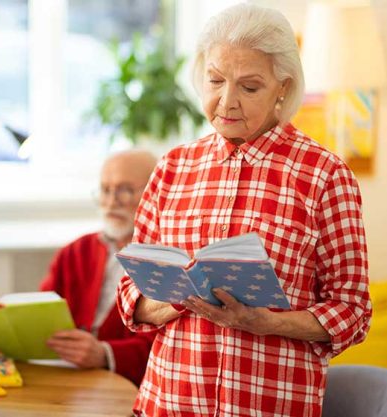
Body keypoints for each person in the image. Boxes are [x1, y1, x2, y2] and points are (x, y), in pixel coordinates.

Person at [116, 4, 372, 416]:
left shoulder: (325, 176)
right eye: (215, 80)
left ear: (282, 88)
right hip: (167, 404)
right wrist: (182, 299)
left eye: (249, 87)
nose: (226, 102)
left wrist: (263, 322)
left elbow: (353, 312)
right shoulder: (173, 168)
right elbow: (131, 295)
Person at [41, 149, 158, 386]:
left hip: (127, 387)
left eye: (125, 190)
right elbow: (41, 313)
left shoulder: (166, 261)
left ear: (155, 195)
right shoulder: (74, 251)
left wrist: (105, 354)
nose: (112, 201)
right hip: (65, 377)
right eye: (106, 190)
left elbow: (170, 345)